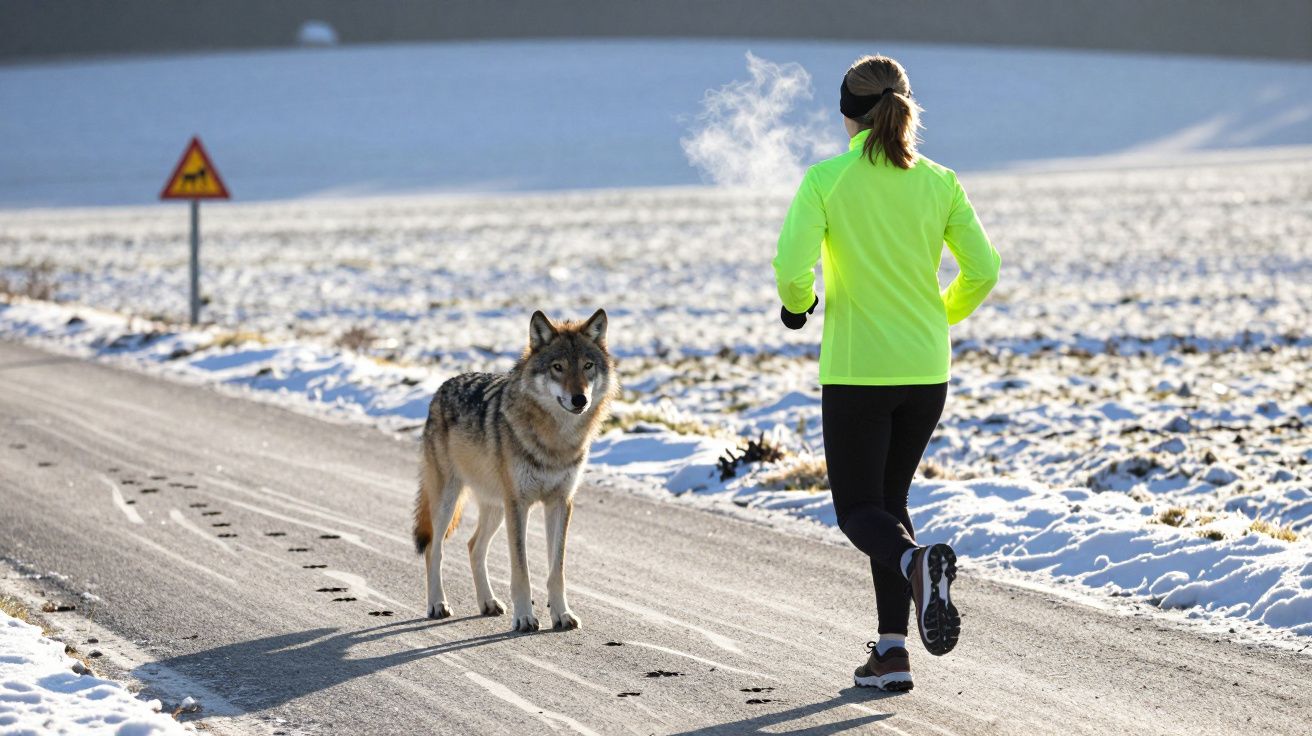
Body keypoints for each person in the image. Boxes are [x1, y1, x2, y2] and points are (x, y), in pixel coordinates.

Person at [772, 54, 1000, 691]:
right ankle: (892, 652)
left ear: (848, 115)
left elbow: (790, 266)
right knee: (889, 502)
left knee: (856, 512)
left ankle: (914, 561)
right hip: (927, 371)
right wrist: (937, 317)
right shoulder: (942, 181)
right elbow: (983, 270)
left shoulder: (826, 179)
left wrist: (798, 308)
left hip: (859, 371)